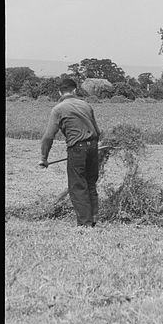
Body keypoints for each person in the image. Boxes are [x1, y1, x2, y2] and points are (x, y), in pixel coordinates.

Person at [39, 78, 103, 228]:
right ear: (75, 91)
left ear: (59, 92)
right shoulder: (86, 105)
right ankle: (93, 218)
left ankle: (85, 224)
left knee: (78, 185)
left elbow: (48, 136)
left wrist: (44, 158)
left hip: (77, 149)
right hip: (93, 147)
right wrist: (94, 146)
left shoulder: (58, 109)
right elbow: (98, 131)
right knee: (90, 183)